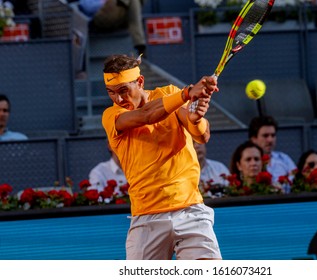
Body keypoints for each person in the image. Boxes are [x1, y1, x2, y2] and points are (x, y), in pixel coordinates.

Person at [101, 54, 221, 260]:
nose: (118, 99)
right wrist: (186, 94)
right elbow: (146, 115)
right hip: (146, 218)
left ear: (140, 82)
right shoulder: (111, 116)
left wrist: (196, 118)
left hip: (190, 211)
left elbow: (202, 136)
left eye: (123, 91)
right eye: (111, 93)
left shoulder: (169, 94)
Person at [79, 0, 147, 57]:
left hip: (116, 18)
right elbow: (85, 6)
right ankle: (140, 44)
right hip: (97, 19)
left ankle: (140, 44)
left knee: (133, 2)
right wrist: (103, 2)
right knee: (133, 2)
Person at [248, 115, 296, 188]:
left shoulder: (284, 159)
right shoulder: (248, 161)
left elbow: (296, 181)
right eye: (265, 136)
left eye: (273, 135)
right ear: (254, 139)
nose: (270, 140)